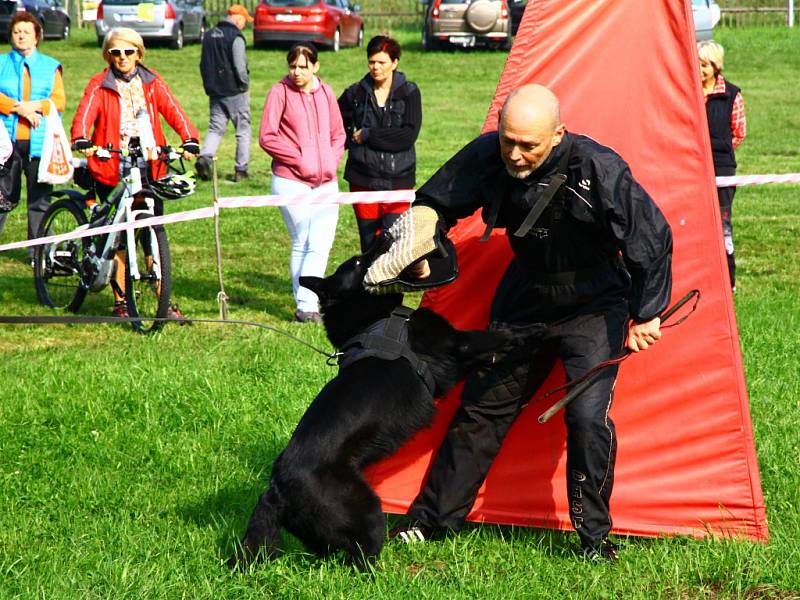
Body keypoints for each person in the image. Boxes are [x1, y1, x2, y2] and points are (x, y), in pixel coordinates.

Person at [366, 84, 673, 561]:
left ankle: (593, 538)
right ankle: (429, 522)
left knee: (587, 417)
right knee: (481, 410)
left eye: (528, 144)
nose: (514, 153)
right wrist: (421, 229)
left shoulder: (597, 168)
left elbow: (649, 236)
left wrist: (648, 312)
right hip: (525, 296)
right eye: (508, 140)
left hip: (595, 303)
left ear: (557, 135)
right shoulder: (492, 153)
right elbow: (439, 199)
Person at [71, 27, 200, 319]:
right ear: (108, 55)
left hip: (150, 166)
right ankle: (121, 301)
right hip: (112, 166)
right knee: (117, 236)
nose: (122, 57)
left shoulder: (152, 82)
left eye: (128, 51)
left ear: (139, 53)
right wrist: (81, 138)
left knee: (152, 232)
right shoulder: (99, 84)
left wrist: (189, 137)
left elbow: (175, 111)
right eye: (115, 52)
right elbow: (84, 115)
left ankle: (162, 299)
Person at [259, 43, 345, 323]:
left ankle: (306, 302)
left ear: (315, 67)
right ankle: (306, 305)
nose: (296, 72)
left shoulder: (327, 92)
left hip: (326, 182)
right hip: (290, 180)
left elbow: (338, 133)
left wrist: (330, 162)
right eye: (292, 66)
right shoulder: (279, 92)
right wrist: (299, 159)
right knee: (303, 240)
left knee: (320, 243)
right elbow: (267, 136)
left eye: (303, 67)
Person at [338, 35, 422, 252]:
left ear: (395, 63)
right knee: (369, 245)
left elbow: (407, 136)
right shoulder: (355, 93)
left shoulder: (410, 93)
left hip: (399, 179)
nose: (376, 67)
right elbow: (335, 123)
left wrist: (368, 136)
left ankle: (391, 285)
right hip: (362, 178)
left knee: (394, 242)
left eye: (382, 62)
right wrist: (350, 141)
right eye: (372, 61)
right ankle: (368, 285)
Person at [0, 13, 65, 253]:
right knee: (2, 196)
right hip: (6, 143)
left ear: (36, 37)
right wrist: (20, 109)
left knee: (40, 200)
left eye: (27, 32)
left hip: (39, 143)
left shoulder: (50, 66)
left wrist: (35, 106)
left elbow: (58, 101)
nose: (21, 36)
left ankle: (38, 251)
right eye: (17, 32)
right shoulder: (1, 63)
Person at [698, 40, 746, 293]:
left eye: (704, 65)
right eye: (697, 64)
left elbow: (739, 133)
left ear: (716, 67)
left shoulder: (732, 94)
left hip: (722, 170)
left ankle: (729, 282)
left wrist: (719, 156)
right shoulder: (688, 92)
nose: (700, 70)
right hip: (693, 169)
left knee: (723, 225)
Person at [196, 4, 253, 184]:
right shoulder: (235, 37)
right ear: (238, 18)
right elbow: (239, 66)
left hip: (215, 91)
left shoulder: (209, 35)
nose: (244, 25)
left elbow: (202, 63)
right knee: (243, 131)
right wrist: (244, 84)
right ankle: (241, 169)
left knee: (216, 128)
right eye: (244, 21)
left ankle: (205, 157)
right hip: (235, 91)